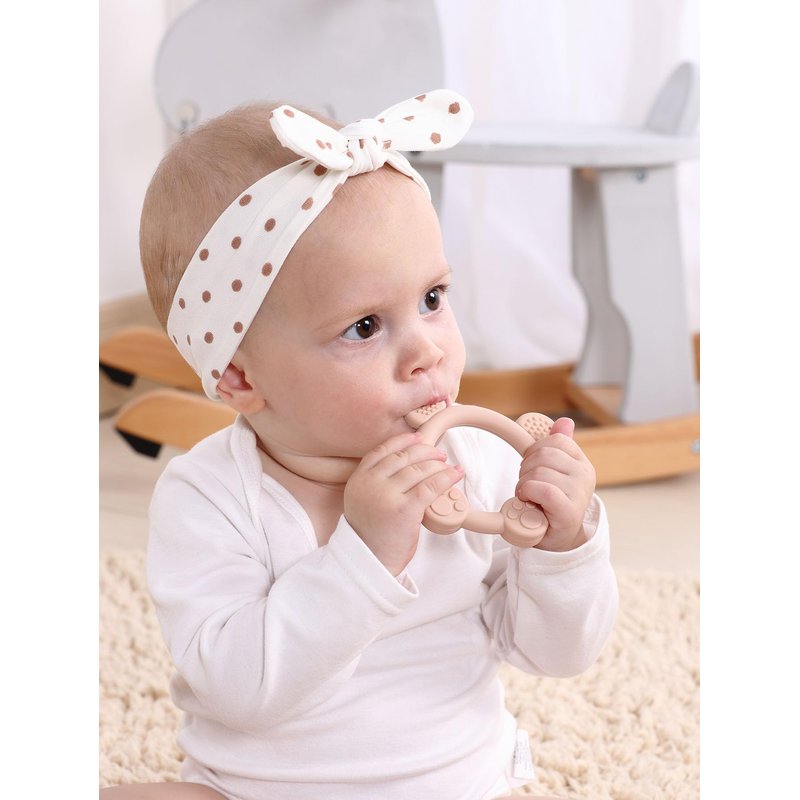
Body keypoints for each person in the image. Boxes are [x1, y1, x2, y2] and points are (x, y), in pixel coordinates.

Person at [101, 90, 618, 800]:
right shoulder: (207, 497)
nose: (427, 351)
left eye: (433, 298)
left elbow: (557, 654)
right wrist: (363, 557)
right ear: (239, 377)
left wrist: (565, 547)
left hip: (457, 786)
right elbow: (237, 689)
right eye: (365, 327)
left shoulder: (478, 462)